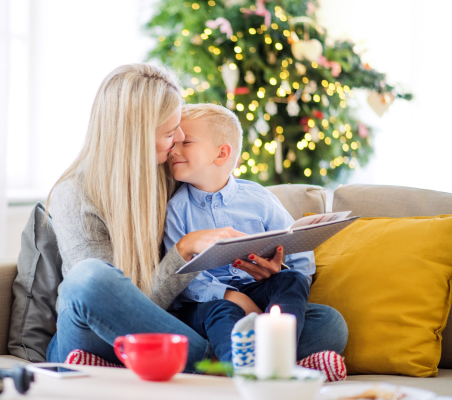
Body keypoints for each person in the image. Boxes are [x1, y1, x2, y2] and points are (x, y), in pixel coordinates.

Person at [45, 63, 348, 373]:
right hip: (97, 336)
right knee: (88, 280)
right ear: (135, 137)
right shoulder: (75, 196)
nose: (178, 138)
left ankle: (226, 359)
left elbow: (219, 178)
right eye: (169, 132)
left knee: (328, 324)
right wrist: (184, 250)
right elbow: (124, 307)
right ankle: (236, 361)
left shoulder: (168, 176)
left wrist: (271, 265)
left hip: (176, 329)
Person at [164, 103, 329, 363]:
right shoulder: (177, 208)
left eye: (187, 142)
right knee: (222, 311)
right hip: (206, 304)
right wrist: (235, 297)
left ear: (221, 154)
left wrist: (283, 279)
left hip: (259, 292)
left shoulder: (258, 197)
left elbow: (298, 250)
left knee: (298, 285)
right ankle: (243, 370)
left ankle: (279, 358)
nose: (174, 150)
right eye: (174, 142)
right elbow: (181, 276)